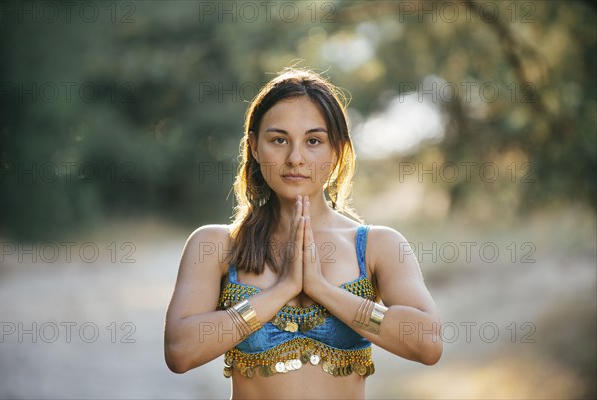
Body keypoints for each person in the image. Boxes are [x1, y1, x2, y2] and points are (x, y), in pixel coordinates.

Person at [164, 68, 442, 399]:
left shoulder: (378, 246)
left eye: (313, 141)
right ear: (254, 147)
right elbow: (180, 352)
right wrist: (281, 291)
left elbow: (427, 343)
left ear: (337, 150)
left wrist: (323, 290)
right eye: (278, 140)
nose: (295, 158)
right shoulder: (215, 245)